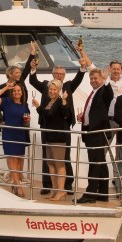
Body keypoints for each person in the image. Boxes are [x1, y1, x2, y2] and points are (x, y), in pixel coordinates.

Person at [29, 43, 89, 195]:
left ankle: (67, 186)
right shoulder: (45, 86)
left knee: (64, 156)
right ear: (53, 74)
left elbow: (79, 78)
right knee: (47, 156)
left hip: (63, 126)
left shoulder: (68, 86)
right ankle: (48, 184)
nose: (59, 76)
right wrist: (33, 68)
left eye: (62, 74)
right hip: (46, 126)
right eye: (57, 74)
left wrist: (82, 66)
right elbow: (32, 81)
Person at [33, 77, 75, 201]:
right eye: (50, 89)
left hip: (58, 138)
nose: (52, 91)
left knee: (60, 164)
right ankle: (55, 190)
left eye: (54, 89)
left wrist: (65, 100)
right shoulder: (49, 101)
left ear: (59, 90)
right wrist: (38, 107)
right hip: (49, 137)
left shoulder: (61, 101)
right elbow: (47, 115)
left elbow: (66, 114)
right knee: (50, 164)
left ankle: (61, 191)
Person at [75, 68, 113, 204]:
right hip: (91, 132)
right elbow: (93, 111)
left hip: (98, 133)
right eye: (91, 79)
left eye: (96, 78)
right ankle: (103, 194)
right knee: (101, 163)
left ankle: (90, 194)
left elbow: (109, 95)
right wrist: (83, 117)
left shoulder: (104, 91)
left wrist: (107, 78)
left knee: (95, 163)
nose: (93, 81)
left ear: (102, 79)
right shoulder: (94, 92)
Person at [0, 79, 31, 196]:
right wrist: (6, 87)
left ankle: (15, 184)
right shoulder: (7, 102)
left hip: (20, 134)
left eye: (18, 91)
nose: (16, 93)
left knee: (19, 160)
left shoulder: (25, 105)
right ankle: (17, 186)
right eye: (14, 91)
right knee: (13, 158)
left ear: (22, 92)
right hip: (9, 133)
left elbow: (26, 122)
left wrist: (27, 121)